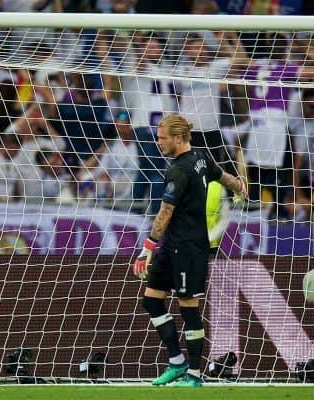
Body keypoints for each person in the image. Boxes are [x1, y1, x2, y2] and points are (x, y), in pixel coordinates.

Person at [132, 114, 247, 387]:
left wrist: (146, 248)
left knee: (189, 309)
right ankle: (177, 362)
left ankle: (194, 376)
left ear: (178, 138)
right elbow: (224, 177)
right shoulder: (201, 158)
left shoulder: (179, 170)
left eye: (162, 138)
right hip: (173, 246)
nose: (158, 143)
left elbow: (165, 212)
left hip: (189, 248)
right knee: (151, 300)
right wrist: (240, 186)